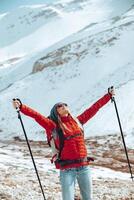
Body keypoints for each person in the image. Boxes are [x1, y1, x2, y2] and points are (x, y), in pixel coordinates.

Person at [12, 87, 115, 200]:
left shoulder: (78, 121)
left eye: (65, 104)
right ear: (56, 112)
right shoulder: (53, 126)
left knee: (88, 198)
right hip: (67, 169)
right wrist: (21, 107)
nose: (63, 106)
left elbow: (94, 108)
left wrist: (108, 96)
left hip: (84, 167)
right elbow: (37, 116)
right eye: (59, 106)